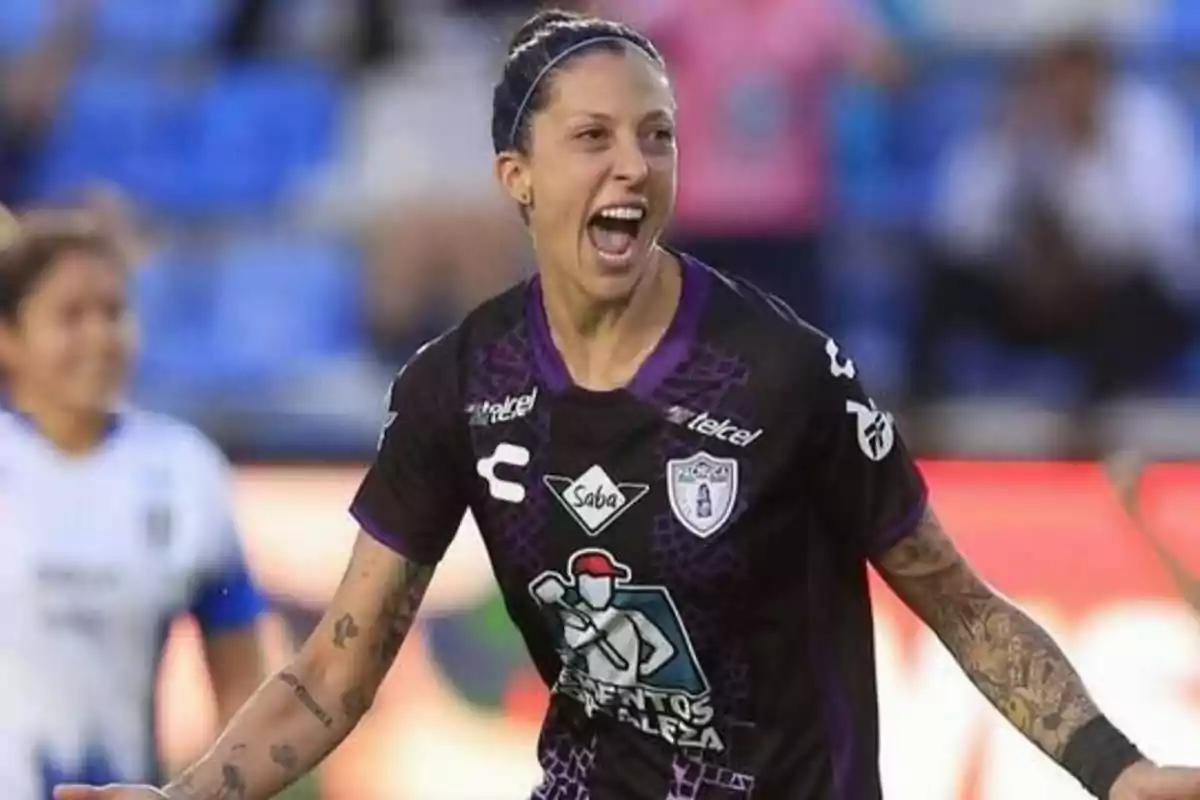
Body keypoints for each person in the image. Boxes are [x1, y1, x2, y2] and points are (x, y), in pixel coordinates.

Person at [56, 9, 1200, 800]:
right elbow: (332, 671)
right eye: (593, 138)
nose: (633, 167)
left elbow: (962, 603)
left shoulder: (783, 371)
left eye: (657, 136)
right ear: (520, 178)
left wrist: (1115, 764)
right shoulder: (460, 384)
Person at [0, 214, 270, 799]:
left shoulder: (183, 468)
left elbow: (242, 681)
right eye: (70, 316)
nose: (99, 336)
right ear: (9, 337)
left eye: (114, 312)